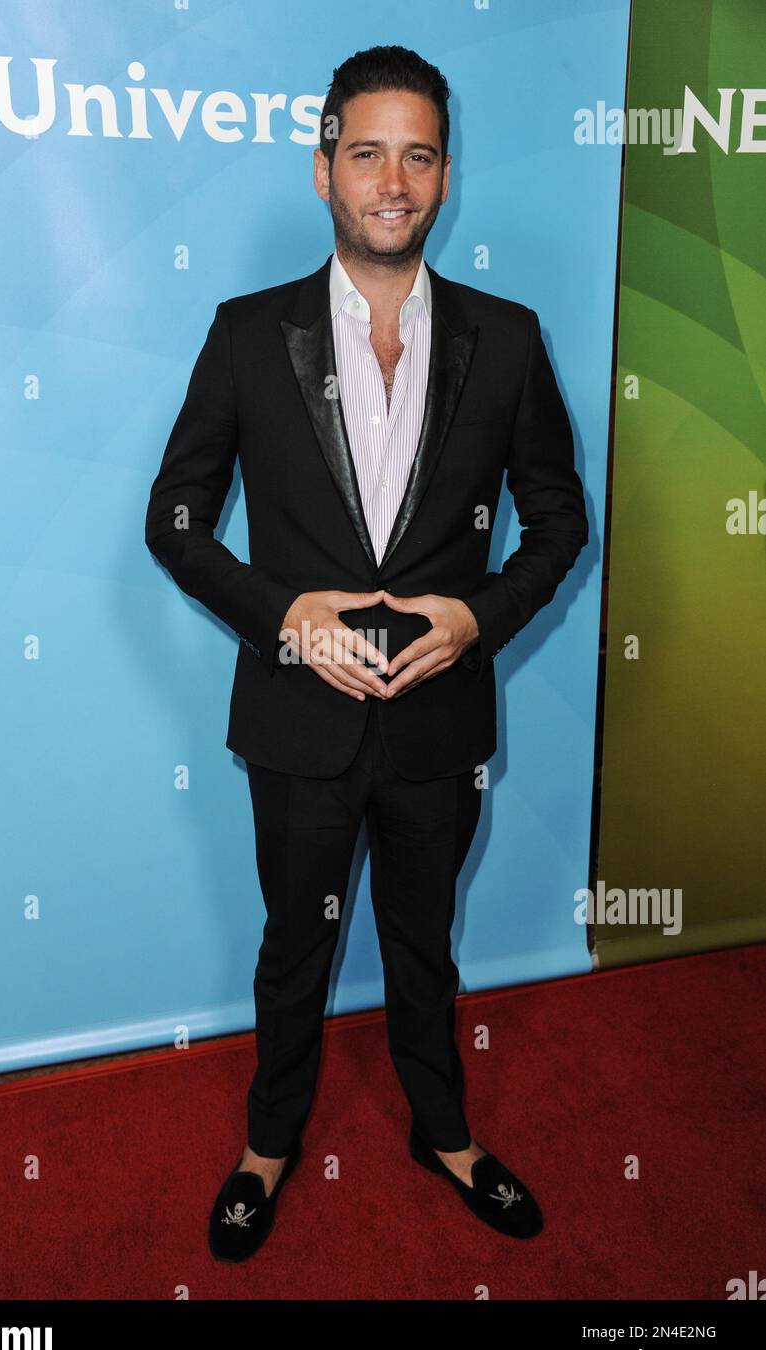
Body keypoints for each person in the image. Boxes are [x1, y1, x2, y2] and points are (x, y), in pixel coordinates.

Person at [145, 44, 588, 1262]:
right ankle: (268, 1144)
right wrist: (285, 615)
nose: (391, 179)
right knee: (295, 941)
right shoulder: (247, 333)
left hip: (440, 721)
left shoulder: (506, 337)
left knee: (422, 940)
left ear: (444, 175)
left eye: (419, 154)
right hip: (297, 718)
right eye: (366, 152)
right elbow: (173, 519)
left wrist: (476, 620)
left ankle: (440, 1129)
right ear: (324, 166)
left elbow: (560, 520)